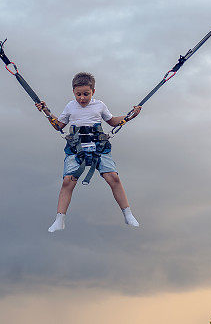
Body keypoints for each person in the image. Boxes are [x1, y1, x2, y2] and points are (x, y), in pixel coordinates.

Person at [36, 72, 141, 232]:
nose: (82, 98)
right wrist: (46, 111)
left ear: (93, 91)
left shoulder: (99, 105)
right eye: (78, 94)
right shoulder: (70, 106)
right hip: (76, 146)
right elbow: (58, 125)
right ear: (73, 92)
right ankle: (59, 220)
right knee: (67, 182)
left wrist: (130, 116)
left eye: (86, 94)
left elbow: (112, 122)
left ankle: (128, 214)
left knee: (113, 178)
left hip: (98, 144)